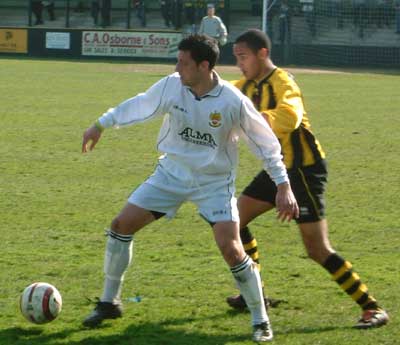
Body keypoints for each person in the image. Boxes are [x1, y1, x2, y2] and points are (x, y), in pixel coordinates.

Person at [81, 34, 299, 342]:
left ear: (204, 66)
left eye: (183, 63)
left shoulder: (232, 101)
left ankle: (260, 318)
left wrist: (283, 186)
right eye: (178, 61)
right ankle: (108, 303)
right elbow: (142, 104)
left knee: (232, 249)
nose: (177, 67)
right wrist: (100, 124)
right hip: (171, 174)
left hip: (213, 183)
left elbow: (266, 144)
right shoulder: (173, 85)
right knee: (120, 226)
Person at [226, 29, 389, 329]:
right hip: (277, 170)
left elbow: (291, 116)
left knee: (317, 249)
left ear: (262, 54)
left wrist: (252, 121)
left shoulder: (283, 82)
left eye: (243, 57)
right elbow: (221, 92)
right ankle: (255, 293)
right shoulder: (246, 85)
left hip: (304, 171)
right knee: (235, 221)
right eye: (236, 57)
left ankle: (372, 307)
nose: (239, 63)